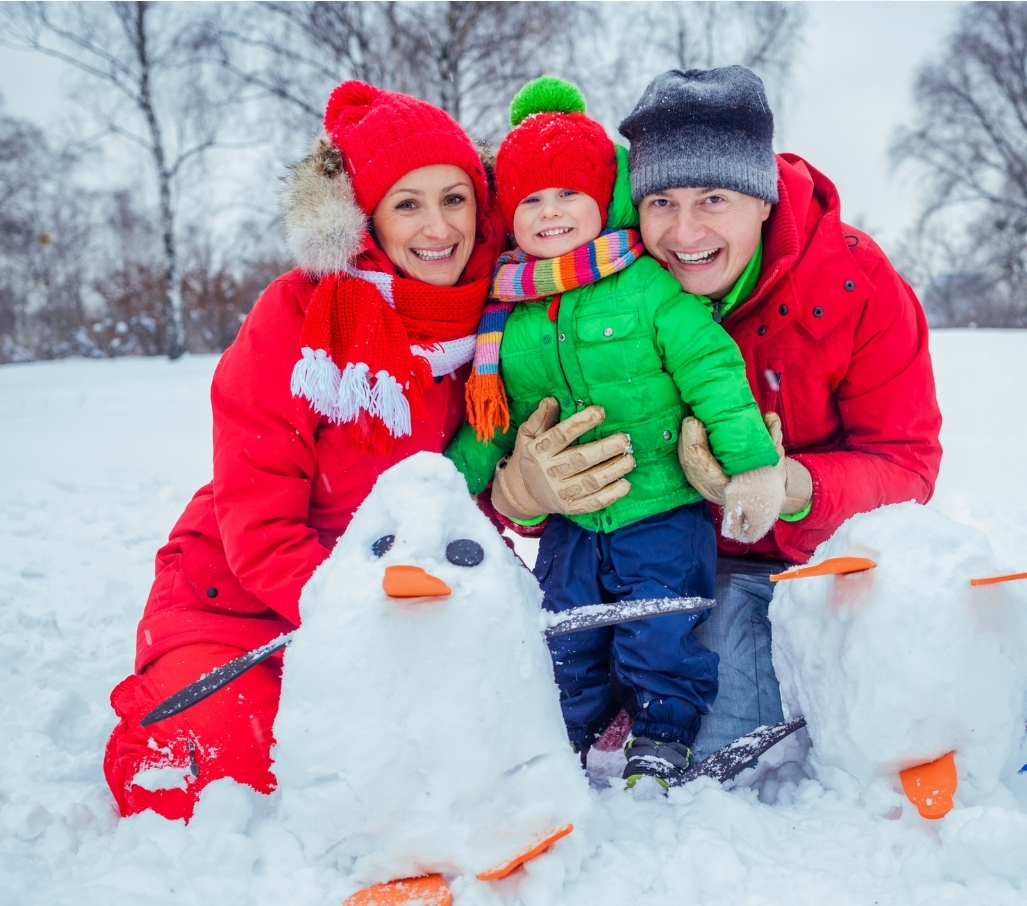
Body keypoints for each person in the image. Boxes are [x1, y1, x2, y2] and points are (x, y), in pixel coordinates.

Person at [491, 65, 943, 764]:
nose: (684, 230)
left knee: (812, 709)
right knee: (698, 730)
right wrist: (522, 492)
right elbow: (531, 425)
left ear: (761, 199)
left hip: (814, 560)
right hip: (673, 562)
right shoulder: (596, 286)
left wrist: (789, 486)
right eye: (661, 201)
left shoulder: (855, 283)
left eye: (714, 198)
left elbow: (908, 466)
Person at [102, 80, 505, 821]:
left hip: (406, 602)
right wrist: (364, 617)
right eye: (407, 203)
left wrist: (523, 496)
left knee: (451, 761)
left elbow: (479, 491)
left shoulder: (496, 319)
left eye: (454, 197)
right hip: (243, 596)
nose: (437, 226)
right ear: (366, 220)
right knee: (221, 776)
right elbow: (257, 529)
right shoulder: (299, 312)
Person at [446, 77, 780, 788]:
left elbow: (712, 369)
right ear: (510, 215)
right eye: (532, 199)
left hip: (659, 506)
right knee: (566, 631)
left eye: (568, 193)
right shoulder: (510, 313)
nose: (552, 212)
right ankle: (565, 728)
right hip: (571, 523)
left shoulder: (648, 284)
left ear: (606, 196)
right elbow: (494, 418)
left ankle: (662, 731)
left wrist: (751, 464)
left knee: (660, 631)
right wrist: (449, 486)